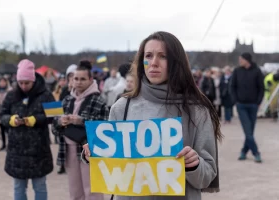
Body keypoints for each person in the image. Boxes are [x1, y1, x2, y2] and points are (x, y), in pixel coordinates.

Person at [82, 31, 221, 200]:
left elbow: (207, 177)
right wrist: (95, 155)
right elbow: (113, 169)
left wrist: (194, 164)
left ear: (176, 63)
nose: (154, 63)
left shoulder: (197, 111)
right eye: (148, 55)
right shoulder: (121, 107)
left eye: (163, 56)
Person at [53, 60, 108, 200]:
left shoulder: (98, 101)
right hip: (69, 150)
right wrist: (60, 121)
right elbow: (54, 127)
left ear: (90, 80)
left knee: (92, 191)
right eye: (76, 78)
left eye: (82, 79)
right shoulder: (66, 100)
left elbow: (105, 128)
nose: (78, 82)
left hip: (89, 151)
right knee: (75, 192)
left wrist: (81, 120)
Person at [0, 59, 54, 200]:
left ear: (33, 80)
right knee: (18, 187)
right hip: (16, 150)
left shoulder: (46, 95)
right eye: (20, 83)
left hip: (38, 149)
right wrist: (11, 120)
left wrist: (36, 119)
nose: (23, 86)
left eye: (27, 83)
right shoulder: (11, 95)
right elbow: (2, 115)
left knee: (40, 185)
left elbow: (56, 116)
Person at [230, 52, 264, 163]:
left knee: (249, 131)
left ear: (247, 60)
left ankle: (243, 152)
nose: (239, 61)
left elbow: (261, 87)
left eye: (241, 59)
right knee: (248, 131)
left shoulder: (257, 71)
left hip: (253, 105)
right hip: (241, 105)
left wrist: (258, 101)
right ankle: (256, 153)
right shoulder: (237, 71)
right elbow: (232, 86)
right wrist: (236, 101)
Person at [0, 77, 12, 151]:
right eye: (1, 82)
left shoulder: (10, 91)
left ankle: (9, 144)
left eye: (4, 82)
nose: (2, 83)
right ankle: (3, 144)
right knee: (2, 129)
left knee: (8, 129)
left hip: (7, 111)